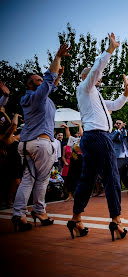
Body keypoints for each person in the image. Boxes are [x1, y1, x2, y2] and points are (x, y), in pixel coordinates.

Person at [68, 33, 128, 241]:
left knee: (87, 180)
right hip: (98, 137)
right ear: (87, 77)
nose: (99, 79)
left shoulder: (95, 95)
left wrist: (126, 93)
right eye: (95, 77)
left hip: (92, 139)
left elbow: (113, 106)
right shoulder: (85, 88)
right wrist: (110, 50)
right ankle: (116, 221)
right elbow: (96, 70)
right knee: (112, 178)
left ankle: (76, 219)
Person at [11, 44, 70, 232]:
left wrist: (59, 75)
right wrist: (57, 57)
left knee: (28, 179)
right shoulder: (37, 96)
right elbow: (48, 81)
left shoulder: (29, 98)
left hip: (27, 143)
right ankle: (39, 210)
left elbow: (51, 85)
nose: (41, 79)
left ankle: (19, 214)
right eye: (37, 79)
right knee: (42, 180)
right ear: (31, 84)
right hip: (41, 143)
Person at [110, 119, 128, 198]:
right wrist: (119, 130)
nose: (119, 124)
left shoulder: (125, 131)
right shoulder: (112, 133)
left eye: (121, 123)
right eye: (118, 123)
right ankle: (117, 191)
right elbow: (113, 138)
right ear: (115, 125)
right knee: (117, 174)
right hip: (119, 157)